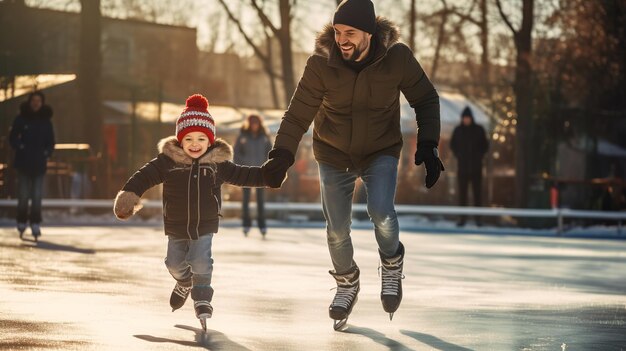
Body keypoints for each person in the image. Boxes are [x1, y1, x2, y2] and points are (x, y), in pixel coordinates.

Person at [261, 0, 444, 329]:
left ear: (370, 33)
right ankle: (347, 282)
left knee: (382, 213)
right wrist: (281, 155)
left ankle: (391, 263)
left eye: (350, 33)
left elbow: (425, 98)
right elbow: (298, 113)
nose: (342, 39)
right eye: (337, 31)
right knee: (336, 229)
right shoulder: (321, 64)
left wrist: (429, 144)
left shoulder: (396, 58)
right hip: (333, 154)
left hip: (381, 150)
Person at [113, 94, 268, 330]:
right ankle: (184, 282)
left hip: (205, 224)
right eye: (189, 139)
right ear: (180, 140)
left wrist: (269, 175)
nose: (195, 144)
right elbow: (144, 176)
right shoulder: (168, 162)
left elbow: (243, 175)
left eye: (201, 138)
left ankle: (203, 298)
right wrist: (129, 195)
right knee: (173, 263)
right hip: (176, 224)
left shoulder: (217, 165)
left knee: (200, 260)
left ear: (210, 141)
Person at [9, 91, 55, 241]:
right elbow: (12, 137)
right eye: (33, 100)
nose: (36, 103)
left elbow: (51, 141)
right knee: (23, 195)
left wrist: (47, 152)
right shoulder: (21, 119)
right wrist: (20, 146)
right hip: (23, 164)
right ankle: (21, 220)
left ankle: (35, 222)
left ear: (42, 103)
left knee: (36, 196)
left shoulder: (46, 121)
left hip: (39, 165)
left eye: (38, 101)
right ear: (30, 102)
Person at [233, 114, 273, 237]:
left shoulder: (265, 137)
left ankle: (262, 225)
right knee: (246, 200)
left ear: (259, 124)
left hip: (261, 173)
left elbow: (270, 152)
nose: (254, 125)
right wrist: (242, 165)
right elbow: (236, 153)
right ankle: (246, 224)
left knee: (261, 200)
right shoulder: (242, 136)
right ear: (249, 124)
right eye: (252, 123)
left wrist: (268, 167)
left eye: (256, 123)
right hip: (246, 172)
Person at [450, 106, 489, 226]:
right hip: (462, 168)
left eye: (468, 118)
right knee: (462, 195)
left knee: (478, 195)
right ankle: (462, 219)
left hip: (476, 168)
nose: (466, 120)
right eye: (464, 118)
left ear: (471, 118)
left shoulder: (479, 129)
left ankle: (478, 220)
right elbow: (452, 145)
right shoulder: (458, 130)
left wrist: (479, 156)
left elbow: (485, 145)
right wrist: (459, 155)